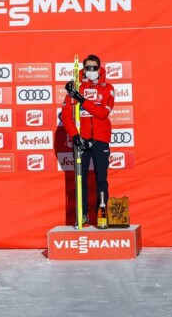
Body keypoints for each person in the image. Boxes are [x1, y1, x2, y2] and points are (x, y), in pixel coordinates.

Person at [61, 54, 115, 226]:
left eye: (94, 68)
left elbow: (102, 113)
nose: (91, 71)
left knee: (101, 179)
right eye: (88, 68)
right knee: (80, 179)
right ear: (83, 70)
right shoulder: (75, 88)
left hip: (101, 138)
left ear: (99, 69)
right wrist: (74, 135)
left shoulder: (108, 88)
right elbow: (66, 115)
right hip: (81, 139)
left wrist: (82, 100)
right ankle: (82, 215)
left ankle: (102, 214)